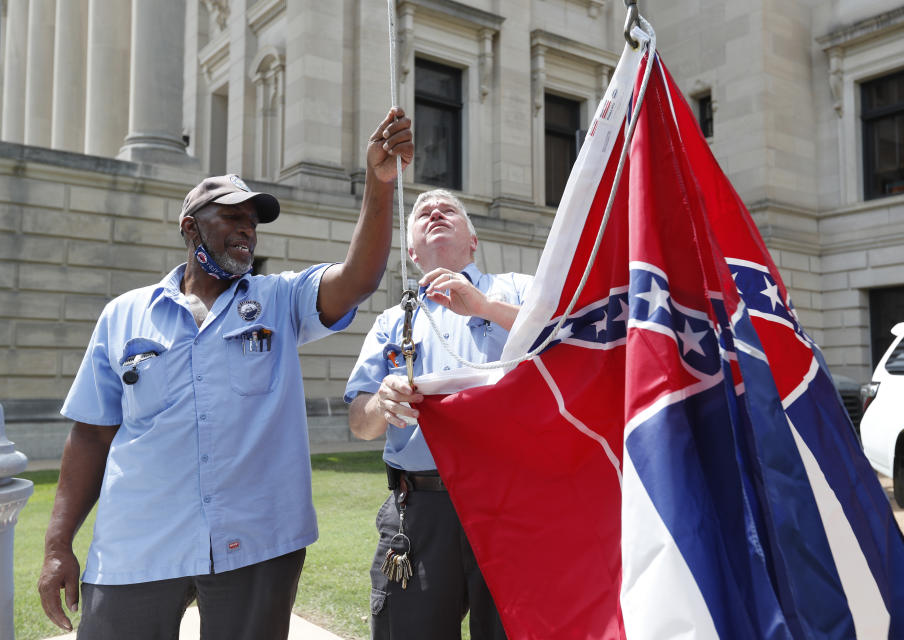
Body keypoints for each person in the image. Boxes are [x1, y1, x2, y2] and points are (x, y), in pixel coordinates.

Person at [36, 107, 413, 640]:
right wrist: (57, 547)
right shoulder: (124, 314)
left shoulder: (280, 299)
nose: (247, 231)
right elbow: (92, 433)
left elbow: (357, 278)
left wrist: (379, 184)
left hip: (256, 545)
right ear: (190, 227)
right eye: (232, 218)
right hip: (138, 546)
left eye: (253, 223)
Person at [345, 188, 533, 640]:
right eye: (422, 212)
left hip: (511, 504)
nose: (433, 212)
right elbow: (360, 422)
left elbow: (567, 336)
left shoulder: (518, 290)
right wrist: (381, 403)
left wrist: (486, 308)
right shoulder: (394, 321)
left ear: (472, 239)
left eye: (447, 209)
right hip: (420, 509)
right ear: (411, 251)